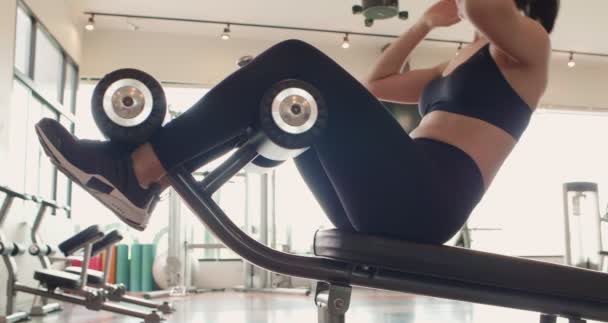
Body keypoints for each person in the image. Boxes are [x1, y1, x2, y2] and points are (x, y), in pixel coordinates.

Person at [35, 0, 559, 243]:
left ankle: (142, 172)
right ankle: (148, 173)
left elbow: (485, 8)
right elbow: (377, 85)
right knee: (294, 90)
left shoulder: (532, 44)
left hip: (430, 200)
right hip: (397, 196)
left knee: (295, 61)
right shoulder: (456, 63)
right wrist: (423, 23)